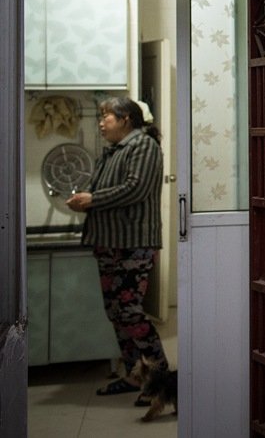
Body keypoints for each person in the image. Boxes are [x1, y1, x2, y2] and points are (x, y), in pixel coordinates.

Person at [66, 97, 168, 404]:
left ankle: (160, 380)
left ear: (125, 119)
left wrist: (92, 200)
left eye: (106, 116)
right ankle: (135, 373)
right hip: (110, 243)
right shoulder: (115, 151)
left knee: (129, 311)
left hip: (132, 244)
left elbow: (135, 188)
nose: (101, 122)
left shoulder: (144, 146)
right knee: (116, 313)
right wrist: (86, 200)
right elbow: (106, 190)